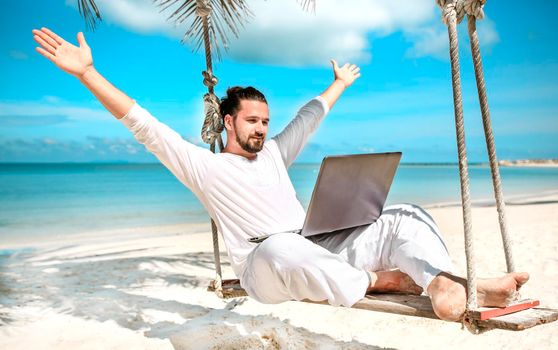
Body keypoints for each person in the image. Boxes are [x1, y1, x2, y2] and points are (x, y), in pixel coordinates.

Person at [32, 27, 529, 322]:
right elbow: (143, 123)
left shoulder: (272, 153)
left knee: (404, 214)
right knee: (277, 244)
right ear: (228, 121)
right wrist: (86, 74)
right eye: (252, 121)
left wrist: (336, 86)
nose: (262, 130)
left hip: (318, 249)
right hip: (264, 267)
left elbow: (309, 119)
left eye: (266, 122)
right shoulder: (203, 167)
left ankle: (445, 284)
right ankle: (380, 280)